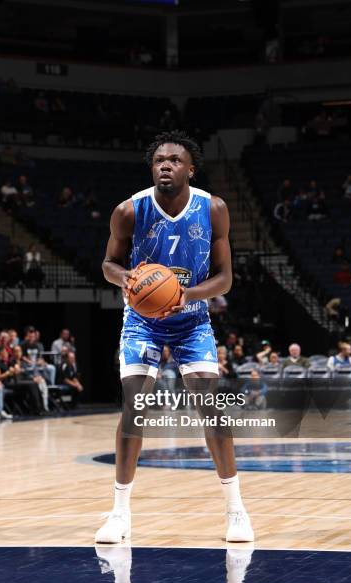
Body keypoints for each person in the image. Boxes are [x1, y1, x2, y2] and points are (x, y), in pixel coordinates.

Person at [95, 130, 254, 544]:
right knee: (135, 407)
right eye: (159, 160)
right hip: (142, 320)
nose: (166, 165)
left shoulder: (213, 208)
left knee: (211, 409)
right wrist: (126, 277)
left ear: (190, 168)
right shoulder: (129, 211)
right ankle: (119, 513)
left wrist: (186, 295)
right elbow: (108, 264)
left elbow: (225, 279)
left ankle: (236, 511)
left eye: (174, 160)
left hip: (192, 320)